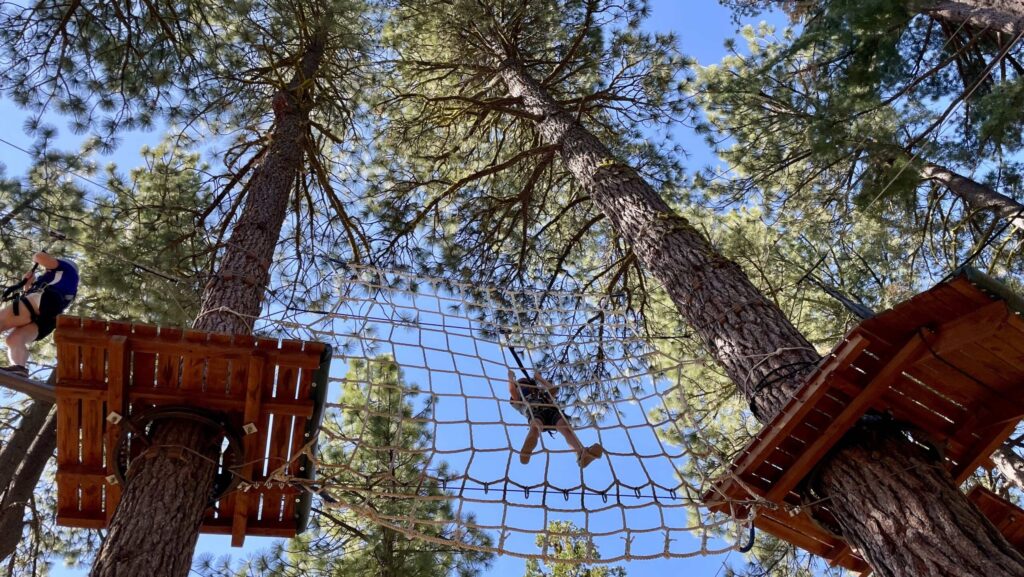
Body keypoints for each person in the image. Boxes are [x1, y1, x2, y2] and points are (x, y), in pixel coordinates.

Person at [0, 252, 79, 376]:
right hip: (48, 317)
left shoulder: (66, 268)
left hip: (44, 300)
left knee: (1, 320)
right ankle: (19, 367)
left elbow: (39, 258)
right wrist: (28, 284)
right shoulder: (64, 284)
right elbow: (29, 299)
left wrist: (39, 255)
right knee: (14, 339)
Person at [507, 369, 604, 468]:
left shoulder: (540, 393)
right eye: (522, 383)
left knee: (565, 428)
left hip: (551, 411)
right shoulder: (519, 396)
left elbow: (553, 389)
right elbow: (512, 390)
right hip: (535, 411)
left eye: (526, 383)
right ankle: (528, 447)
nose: (525, 385)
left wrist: (539, 379)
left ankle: (581, 454)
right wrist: (510, 378)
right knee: (536, 426)